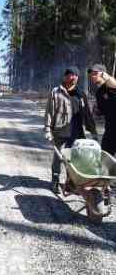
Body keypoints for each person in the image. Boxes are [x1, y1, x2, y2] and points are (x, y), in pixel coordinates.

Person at [44, 66, 98, 194]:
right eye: (71, 75)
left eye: (76, 75)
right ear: (65, 76)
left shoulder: (81, 94)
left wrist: (93, 131)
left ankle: (70, 182)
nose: (73, 77)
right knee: (58, 158)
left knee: (74, 161)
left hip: (77, 133)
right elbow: (49, 112)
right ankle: (55, 181)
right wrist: (47, 129)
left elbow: (87, 115)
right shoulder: (56, 92)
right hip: (60, 131)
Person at [88, 63, 116, 156]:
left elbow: (114, 85)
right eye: (91, 74)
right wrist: (96, 111)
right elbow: (101, 112)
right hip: (110, 130)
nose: (92, 76)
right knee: (105, 157)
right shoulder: (99, 92)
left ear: (103, 74)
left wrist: (106, 77)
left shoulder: (111, 86)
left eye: (95, 73)